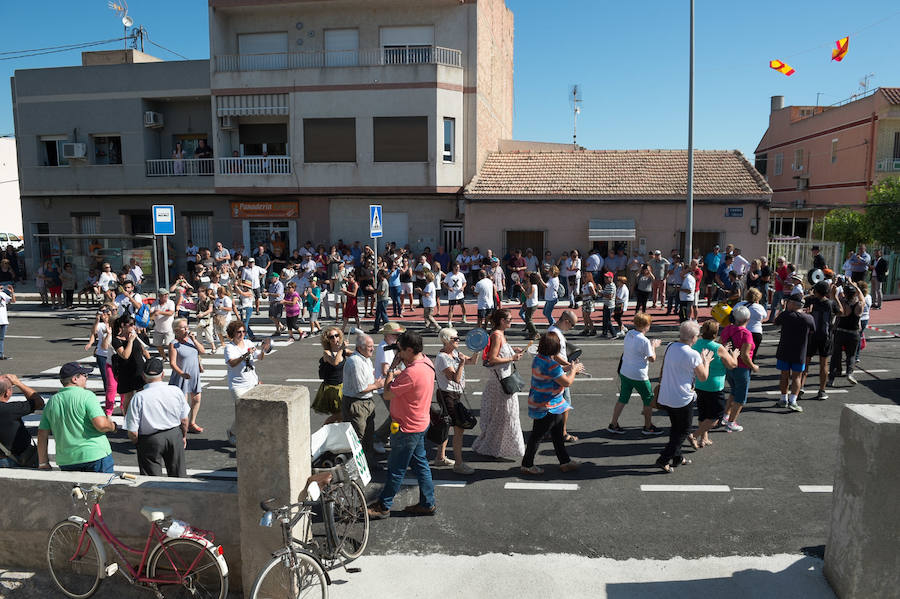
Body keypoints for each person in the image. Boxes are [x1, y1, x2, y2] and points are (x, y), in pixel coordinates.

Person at [368, 331, 437, 519]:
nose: (397, 353)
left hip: (407, 427)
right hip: (420, 423)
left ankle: (383, 506)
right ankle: (427, 503)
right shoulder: (426, 363)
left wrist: (391, 369)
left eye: (400, 350)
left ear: (408, 349)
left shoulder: (411, 373)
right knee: (421, 465)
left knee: (396, 469)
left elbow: (388, 393)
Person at [520, 331, 584, 475]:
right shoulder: (552, 365)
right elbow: (566, 382)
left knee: (557, 434)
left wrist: (568, 368)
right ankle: (527, 464)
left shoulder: (539, 359)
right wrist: (573, 370)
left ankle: (565, 462)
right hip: (548, 406)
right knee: (537, 436)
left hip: (547, 403)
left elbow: (555, 372)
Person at [654, 321, 713, 473]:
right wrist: (706, 362)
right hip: (681, 398)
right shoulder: (692, 354)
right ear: (693, 337)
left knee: (676, 428)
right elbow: (703, 377)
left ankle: (677, 457)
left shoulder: (671, 346)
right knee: (684, 430)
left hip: (667, 394)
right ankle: (664, 459)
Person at [37, 362, 117, 472]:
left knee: (75, 489)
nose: (86, 378)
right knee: (100, 488)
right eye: (84, 375)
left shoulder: (52, 401)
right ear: (75, 379)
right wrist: (112, 426)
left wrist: (43, 462)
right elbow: (101, 425)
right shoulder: (87, 396)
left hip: (67, 459)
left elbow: (42, 434)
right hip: (94, 454)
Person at [472, 309, 526, 459]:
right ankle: (497, 447)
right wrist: (512, 358)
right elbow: (492, 359)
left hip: (502, 379)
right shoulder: (496, 335)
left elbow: (501, 352)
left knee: (503, 415)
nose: (511, 321)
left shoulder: (500, 334)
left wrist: (512, 350)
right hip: (501, 381)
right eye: (509, 319)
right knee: (507, 415)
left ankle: (494, 446)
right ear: (502, 321)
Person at [124, 358, 189, 477]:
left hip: (150, 438)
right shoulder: (176, 391)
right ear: (163, 374)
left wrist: (139, 443)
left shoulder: (139, 397)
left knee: (151, 480)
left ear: (144, 376)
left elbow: (132, 431)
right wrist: (183, 436)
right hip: (174, 434)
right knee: (179, 476)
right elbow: (184, 420)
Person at [607, 312, 664, 435]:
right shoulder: (644, 341)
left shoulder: (629, 334)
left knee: (622, 398)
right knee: (648, 399)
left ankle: (613, 423)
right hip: (639, 376)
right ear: (646, 325)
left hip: (625, 372)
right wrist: (654, 346)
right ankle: (648, 427)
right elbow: (652, 358)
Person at [433, 327, 477, 474]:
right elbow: (455, 379)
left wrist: (477, 349)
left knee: (447, 425)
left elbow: (472, 362)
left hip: (453, 395)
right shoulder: (443, 358)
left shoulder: (455, 353)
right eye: (455, 338)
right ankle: (458, 464)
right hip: (448, 395)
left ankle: (440, 457)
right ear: (447, 340)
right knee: (459, 428)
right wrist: (462, 364)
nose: (458, 340)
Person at [691, 320, 739, 448]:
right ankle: (694, 435)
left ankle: (703, 438)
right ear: (715, 333)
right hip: (714, 387)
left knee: (704, 413)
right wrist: (733, 355)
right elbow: (732, 365)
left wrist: (723, 349)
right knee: (715, 417)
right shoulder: (718, 348)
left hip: (700, 383)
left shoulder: (696, 343)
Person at [224, 321, 270, 446]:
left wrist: (263, 350)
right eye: (238, 332)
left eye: (243, 331)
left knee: (253, 411)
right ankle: (234, 432)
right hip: (238, 385)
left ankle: (239, 432)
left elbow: (259, 357)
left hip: (252, 382)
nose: (241, 334)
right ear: (232, 333)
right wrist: (246, 354)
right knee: (244, 411)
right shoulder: (229, 348)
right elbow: (232, 363)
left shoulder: (248, 343)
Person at [342, 332, 385, 463]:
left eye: (372, 346)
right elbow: (360, 388)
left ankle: (368, 462)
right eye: (369, 346)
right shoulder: (355, 362)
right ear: (360, 348)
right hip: (356, 403)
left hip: (366, 402)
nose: (372, 349)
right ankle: (354, 465)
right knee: (358, 437)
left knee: (368, 435)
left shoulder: (364, 359)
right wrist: (377, 385)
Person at [719, 305, 759, 432]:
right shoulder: (746, 334)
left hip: (728, 365)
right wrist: (753, 366)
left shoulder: (727, 329)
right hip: (741, 368)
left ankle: (726, 415)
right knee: (740, 397)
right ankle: (731, 422)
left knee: (733, 391)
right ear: (747, 319)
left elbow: (720, 344)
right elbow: (745, 355)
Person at [774, 293, 815, 412]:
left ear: (791, 303)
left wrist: (782, 308)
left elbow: (776, 322)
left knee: (784, 375)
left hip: (784, 350)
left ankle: (783, 399)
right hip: (800, 352)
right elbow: (813, 330)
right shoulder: (808, 318)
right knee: (797, 376)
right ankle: (793, 400)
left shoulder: (785, 315)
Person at [802, 282, 839, 401]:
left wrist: (809, 295)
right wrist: (835, 296)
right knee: (824, 363)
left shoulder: (811, 301)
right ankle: (822, 390)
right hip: (825, 336)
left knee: (806, 362)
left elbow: (802, 304)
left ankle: (800, 386)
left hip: (811, 335)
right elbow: (842, 312)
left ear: (816, 291)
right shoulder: (831, 303)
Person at [168, 318, 206, 434]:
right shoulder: (174, 344)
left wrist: (194, 340)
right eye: (183, 327)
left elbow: (202, 351)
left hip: (194, 374)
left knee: (196, 398)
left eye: (187, 327)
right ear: (176, 330)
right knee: (183, 405)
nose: (186, 329)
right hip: (182, 376)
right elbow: (172, 363)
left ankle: (192, 423)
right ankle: (180, 425)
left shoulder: (191, 340)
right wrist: (181, 373)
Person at [0, 374, 45, 468]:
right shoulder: (10, 409)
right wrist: (18, 383)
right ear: (7, 392)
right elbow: (39, 402)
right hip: (12, 459)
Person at [112, 314, 150, 416]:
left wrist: (150, 361)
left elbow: (144, 350)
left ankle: (141, 417)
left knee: (142, 394)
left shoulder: (135, 335)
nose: (134, 327)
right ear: (123, 325)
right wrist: (130, 341)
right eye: (131, 325)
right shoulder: (116, 340)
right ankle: (127, 420)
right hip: (126, 371)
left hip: (139, 369)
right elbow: (125, 355)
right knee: (128, 397)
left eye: (134, 325)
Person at [313, 326, 352, 425]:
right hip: (331, 389)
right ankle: (324, 429)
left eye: (336, 335)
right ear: (328, 340)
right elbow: (335, 362)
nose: (335, 338)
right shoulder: (327, 353)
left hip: (342, 386)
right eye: (331, 337)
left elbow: (355, 354)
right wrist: (341, 349)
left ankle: (338, 434)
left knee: (341, 416)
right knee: (340, 414)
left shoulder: (343, 351)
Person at [829, 279, 863, 386]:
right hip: (854, 333)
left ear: (845, 294)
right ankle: (849, 373)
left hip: (840, 332)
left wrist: (835, 293)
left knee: (836, 355)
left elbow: (834, 299)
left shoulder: (842, 303)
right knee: (851, 355)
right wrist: (855, 285)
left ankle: (831, 378)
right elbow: (861, 296)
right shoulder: (859, 304)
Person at [84, 307, 116, 415]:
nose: (104, 315)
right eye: (103, 313)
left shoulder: (116, 323)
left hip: (115, 354)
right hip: (102, 354)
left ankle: (116, 396)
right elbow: (93, 332)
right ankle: (110, 399)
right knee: (106, 378)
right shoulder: (101, 325)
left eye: (106, 312)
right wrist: (97, 320)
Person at [151, 289, 176, 360]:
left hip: (169, 328)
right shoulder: (155, 303)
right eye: (163, 295)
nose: (165, 296)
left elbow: (171, 313)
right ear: (159, 296)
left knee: (169, 345)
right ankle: (164, 357)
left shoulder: (170, 303)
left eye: (166, 294)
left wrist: (160, 312)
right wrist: (153, 313)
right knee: (158, 345)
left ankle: (172, 358)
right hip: (158, 328)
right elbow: (151, 315)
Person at [443, 262, 467, 326]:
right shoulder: (449, 275)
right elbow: (444, 283)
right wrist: (448, 288)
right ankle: (449, 322)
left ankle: (464, 316)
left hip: (460, 293)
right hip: (452, 294)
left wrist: (463, 287)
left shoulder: (461, 274)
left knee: (463, 306)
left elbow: (464, 282)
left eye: (458, 267)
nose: (457, 269)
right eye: (456, 267)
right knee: (451, 308)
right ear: (453, 267)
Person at [579, 272, 597, 336]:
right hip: (584, 301)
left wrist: (585, 295)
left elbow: (594, 294)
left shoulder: (590, 284)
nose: (583, 278)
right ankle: (586, 329)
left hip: (588, 301)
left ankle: (593, 329)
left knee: (587, 316)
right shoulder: (584, 284)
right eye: (583, 277)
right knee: (584, 316)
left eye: (585, 277)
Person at [0, 284, 14, 360]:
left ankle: (1, 355)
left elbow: (13, 301)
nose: (2, 288)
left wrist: (12, 293)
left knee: (1, 339)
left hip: (3, 320)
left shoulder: (3, 294)